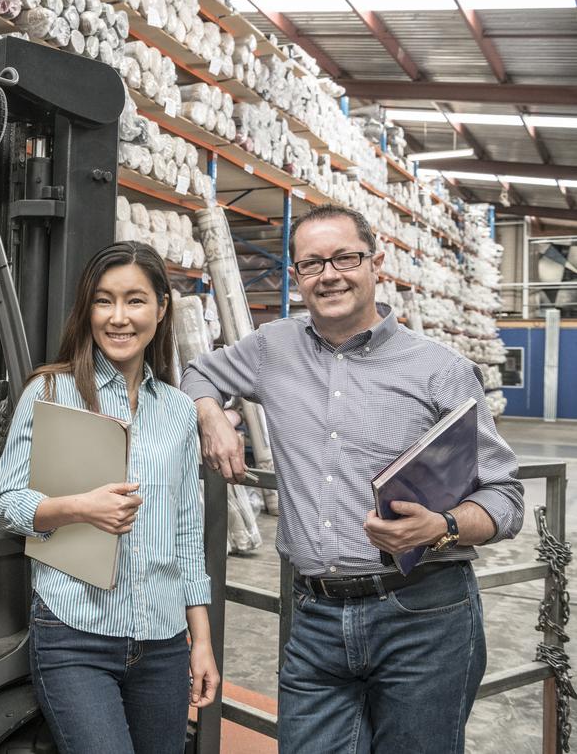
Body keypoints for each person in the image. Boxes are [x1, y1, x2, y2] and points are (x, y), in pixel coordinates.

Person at [181, 204, 523, 753]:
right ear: (297, 277)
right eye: (313, 264)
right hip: (315, 617)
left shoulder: (441, 369)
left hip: (424, 615)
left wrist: (443, 526)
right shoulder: (273, 348)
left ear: (376, 263)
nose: (330, 274)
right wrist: (211, 413)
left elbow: (505, 496)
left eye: (345, 258)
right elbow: (197, 370)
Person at [0, 241, 219, 754]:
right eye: (103, 301)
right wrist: (77, 508)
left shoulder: (179, 412)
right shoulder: (51, 392)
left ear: (161, 310)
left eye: (135, 301)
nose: (119, 318)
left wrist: (199, 642)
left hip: (162, 641)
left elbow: (186, 534)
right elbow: (5, 502)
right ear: (86, 310)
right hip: (76, 634)